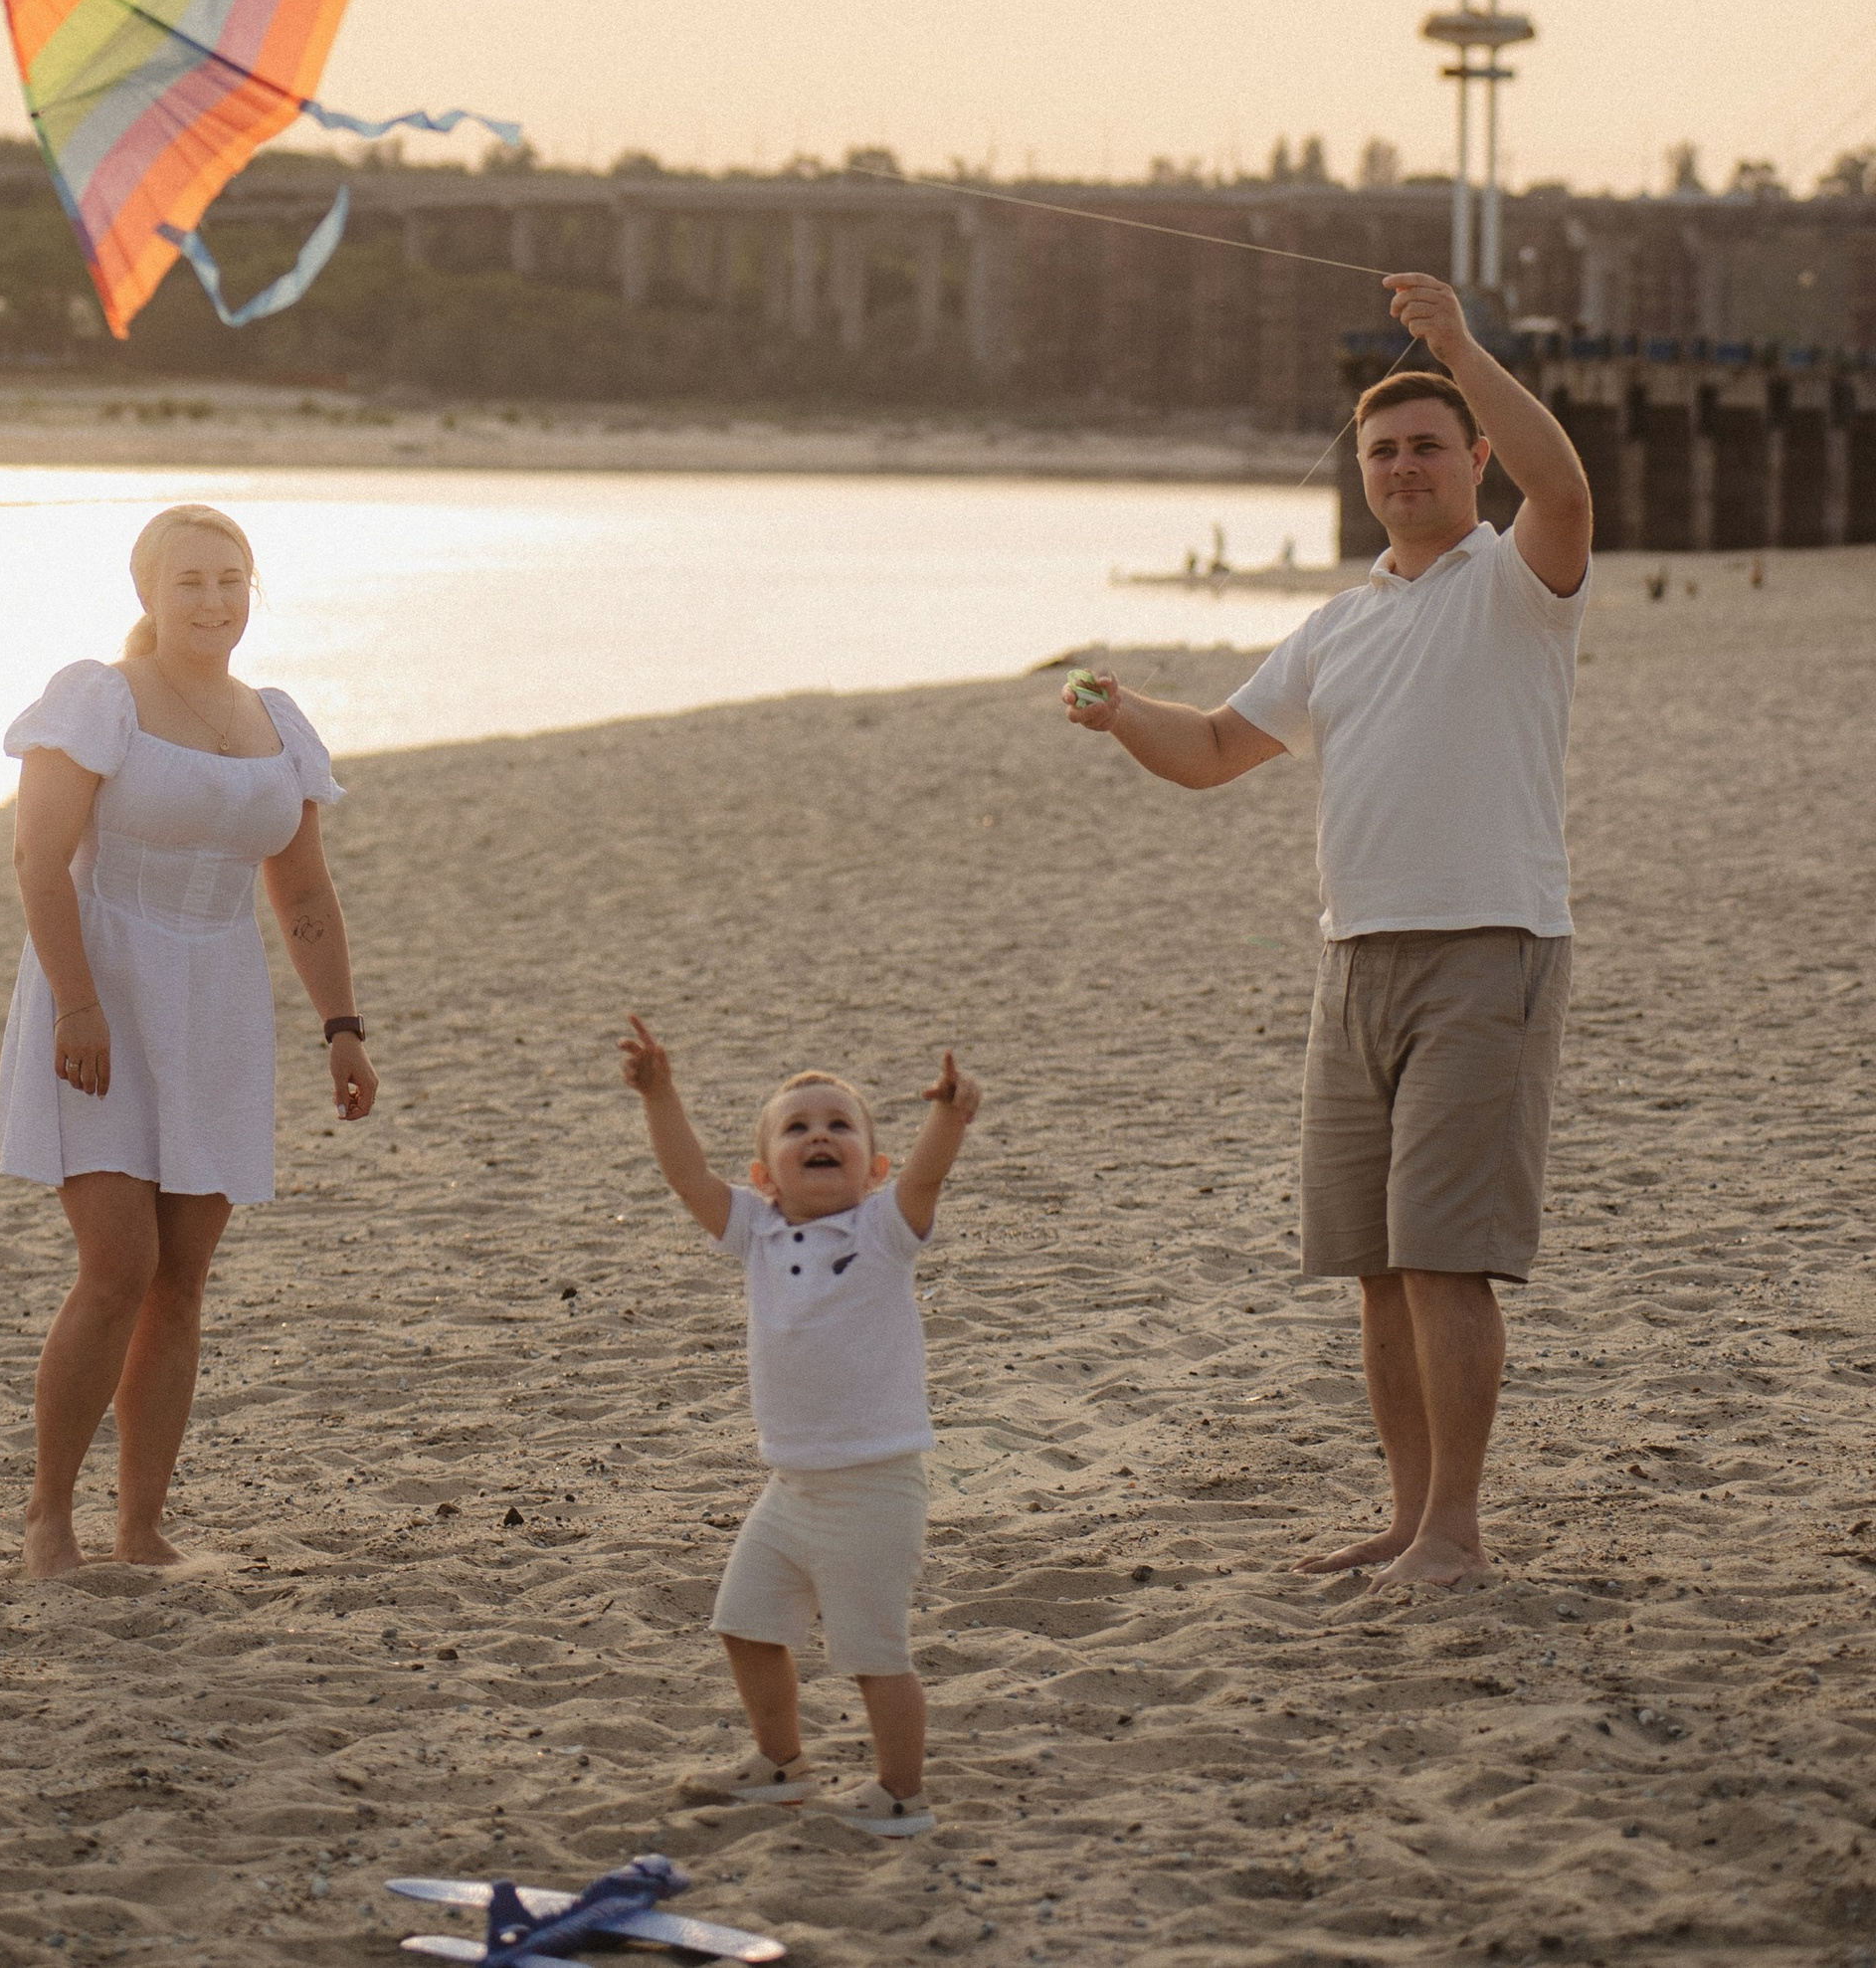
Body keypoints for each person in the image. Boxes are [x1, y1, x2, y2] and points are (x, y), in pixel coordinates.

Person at [1063, 269, 1594, 1591]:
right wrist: (1125, 709)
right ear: (1362, 472)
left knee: (1441, 1253)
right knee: (1371, 1265)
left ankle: (1457, 1531)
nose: (1406, 467)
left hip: (1491, 947)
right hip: (1355, 959)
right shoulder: (1336, 625)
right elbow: (1217, 749)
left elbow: (1568, 487)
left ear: (1471, 455)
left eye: (1428, 445)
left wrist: (1461, 345)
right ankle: (1408, 1514)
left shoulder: (1521, 578)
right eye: (1384, 451)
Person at [0, 503, 377, 1576]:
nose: (212, 601)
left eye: (230, 580)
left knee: (183, 1278)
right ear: (147, 595)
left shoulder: (278, 720)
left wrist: (339, 1026)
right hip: (103, 986)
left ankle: (143, 1524)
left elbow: (301, 888)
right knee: (118, 1265)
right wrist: (76, 1001)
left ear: (252, 590)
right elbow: (36, 859)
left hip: (217, 998)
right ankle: (50, 1515)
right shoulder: (98, 697)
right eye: (190, 583)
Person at [619, 1015, 983, 1836]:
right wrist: (660, 1091)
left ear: (874, 1164)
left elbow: (927, 1176)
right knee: (744, 1623)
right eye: (798, 1128)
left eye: (840, 1126)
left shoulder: (884, 1228)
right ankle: (780, 1765)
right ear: (766, 1174)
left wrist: (948, 1116)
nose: (820, 1135)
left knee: (871, 1654)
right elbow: (687, 1176)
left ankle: (899, 1794)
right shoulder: (756, 1230)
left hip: (874, 1484)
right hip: (790, 1485)